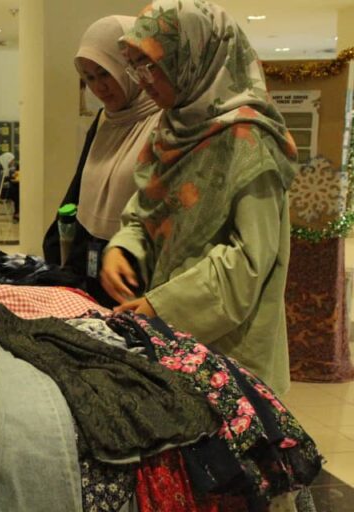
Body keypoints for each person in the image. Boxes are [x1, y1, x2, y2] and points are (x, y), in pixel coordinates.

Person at [101, 0, 297, 394]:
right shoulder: (173, 127)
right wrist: (123, 248)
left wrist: (164, 307)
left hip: (232, 353)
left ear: (193, 56)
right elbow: (146, 209)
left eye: (152, 64)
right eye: (136, 66)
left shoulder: (249, 139)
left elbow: (250, 261)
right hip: (173, 336)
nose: (143, 80)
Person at [42, 16, 161, 305]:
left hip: (135, 271)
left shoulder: (163, 122)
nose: (99, 88)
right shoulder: (104, 120)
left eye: (105, 73)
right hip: (91, 263)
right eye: (90, 78)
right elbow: (79, 187)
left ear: (129, 68)